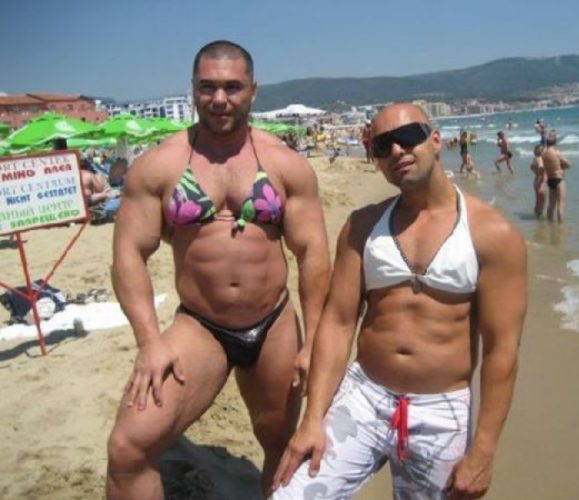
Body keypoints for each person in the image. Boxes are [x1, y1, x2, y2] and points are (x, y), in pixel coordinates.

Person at [105, 40, 331, 498]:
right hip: (200, 326)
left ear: (253, 90)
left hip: (273, 323)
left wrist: (314, 341)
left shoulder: (285, 163)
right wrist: (149, 342)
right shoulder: (159, 165)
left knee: (281, 444)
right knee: (128, 448)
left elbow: (312, 254)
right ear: (192, 89)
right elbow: (128, 255)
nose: (220, 98)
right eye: (208, 87)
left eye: (232, 87)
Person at [272, 103, 527, 499]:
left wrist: (484, 451)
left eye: (408, 137)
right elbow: (338, 323)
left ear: (436, 140)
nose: (396, 151)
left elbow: (501, 349)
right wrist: (312, 419)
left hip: (441, 412)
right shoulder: (362, 227)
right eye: (382, 146)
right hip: (363, 397)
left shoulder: (492, 234)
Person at [543, 132, 571, 223]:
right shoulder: (557, 153)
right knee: (561, 204)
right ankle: (560, 225)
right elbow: (568, 164)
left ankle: (550, 224)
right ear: (555, 143)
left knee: (551, 204)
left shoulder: (544, 154)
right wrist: (562, 167)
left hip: (550, 179)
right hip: (558, 179)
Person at [530, 144, 547, 218]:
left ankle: (536, 216)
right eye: (544, 151)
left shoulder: (534, 159)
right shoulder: (540, 159)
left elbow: (531, 167)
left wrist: (536, 173)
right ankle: (539, 219)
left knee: (537, 201)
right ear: (541, 151)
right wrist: (541, 176)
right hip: (541, 182)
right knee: (542, 203)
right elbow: (541, 167)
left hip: (536, 181)